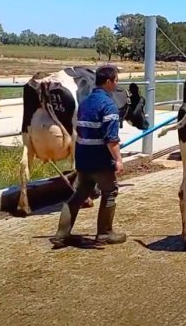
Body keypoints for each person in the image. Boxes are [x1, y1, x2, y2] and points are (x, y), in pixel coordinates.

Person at [50, 65, 126, 248]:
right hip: (100, 160)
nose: (117, 83)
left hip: (83, 159)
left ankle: (62, 234)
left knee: (79, 194)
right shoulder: (109, 106)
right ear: (108, 82)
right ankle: (105, 233)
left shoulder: (85, 103)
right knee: (110, 192)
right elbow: (111, 139)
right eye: (116, 80)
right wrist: (118, 159)